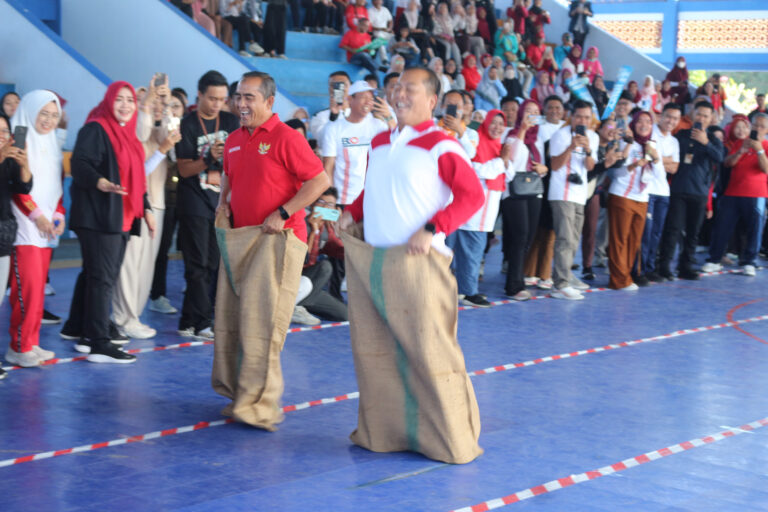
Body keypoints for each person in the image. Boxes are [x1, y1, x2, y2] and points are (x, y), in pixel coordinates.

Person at [339, 67, 484, 464]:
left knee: (430, 352)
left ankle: (452, 438)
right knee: (377, 352)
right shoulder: (381, 140)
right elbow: (376, 186)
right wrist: (351, 211)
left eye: (410, 89)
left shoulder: (442, 145)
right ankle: (385, 433)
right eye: (396, 87)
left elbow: (472, 197)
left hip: (419, 265)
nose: (399, 94)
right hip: (374, 263)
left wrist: (434, 227)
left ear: (432, 101)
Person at [214, 71, 329, 429]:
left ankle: (261, 405)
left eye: (249, 97)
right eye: (238, 97)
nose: (241, 104)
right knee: (232, 320)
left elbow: (320, 181)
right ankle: (240, 395)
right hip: (240, 240)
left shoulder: (287, 137)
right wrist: (222, 208)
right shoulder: (233, 139)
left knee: (263, 322)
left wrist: (283, 213)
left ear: (269, 102)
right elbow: (230, 180)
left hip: (277, 242)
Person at [63, 82, 158, 363]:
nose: (126, 105)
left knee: (96, 275)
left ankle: (79, 328)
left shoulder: (128, 136)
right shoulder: (96, 128)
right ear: (108, 101)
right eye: (120, 99)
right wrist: (100, 182)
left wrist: (148, 209)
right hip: (98, 215)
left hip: (122, 217)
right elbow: (79, 165)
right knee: (102, 278)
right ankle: (98, 342)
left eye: (130, 100)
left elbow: (137, 178)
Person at [111, 77, 182, 339]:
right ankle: (121, 317)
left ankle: (134, 316)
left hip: (157, 206)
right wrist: (148, 102)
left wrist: (164, 107)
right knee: (129, 265)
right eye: (144, 100)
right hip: (133, 204)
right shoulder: (132, 134)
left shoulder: (157, 132)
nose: (151, 104)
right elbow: (137, 170)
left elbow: (171, 140)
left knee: (146, 266)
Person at [175, 70, 239, 340]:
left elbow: (239, 160)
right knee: (197, 264)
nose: (217, 104)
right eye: (212, 98)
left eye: (222, 99)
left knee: (214, 264)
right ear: (199, 95)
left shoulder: (230, 121)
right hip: (194, 202)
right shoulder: (187, 124)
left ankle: (190, 320)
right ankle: (201, 321)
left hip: (220, 203)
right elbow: (184, 169)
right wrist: (208, 159)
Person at [4, 91, 64, 368]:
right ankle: (18, 346)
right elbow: (16, 188)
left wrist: (59, 214)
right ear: (30, 111)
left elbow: (55, 188)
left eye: (54, 115)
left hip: (46, 230)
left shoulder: (52, 143)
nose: (49, 120)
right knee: (25, 289)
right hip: (24, 227)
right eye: (44, 113)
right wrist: (37, 214)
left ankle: (32, 341)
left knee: (38, 289)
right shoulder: (19, 142)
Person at [657, 101, 725, 280]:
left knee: (693, 232)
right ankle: (664, 265)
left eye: (706, 115)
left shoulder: (714, 139)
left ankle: (685, 265)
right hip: (678, 189)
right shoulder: (681, 135)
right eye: (699, 114)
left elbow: (720, 158)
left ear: (711, 119)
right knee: (673, 229)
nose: (701, 118)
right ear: (693, 114)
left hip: (700, 192)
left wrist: (706, 143)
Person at [449, 108, 509, 307]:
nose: (497, 127)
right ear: (485, 122)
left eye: (501, 124)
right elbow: (476, 169)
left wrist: (503, 162)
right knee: (467, 253)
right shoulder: (476, 141)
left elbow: (509, 175)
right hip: (472, 209)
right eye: (494, 123)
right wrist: (501, 161)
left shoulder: (500, 146)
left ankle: (465, 290)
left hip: (487, 211)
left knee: (473, 253)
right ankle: (467, 291)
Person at [701, 114, 768, 276]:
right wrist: (741, 151)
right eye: (755, 125)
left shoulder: (766, 145)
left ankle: (749, 261)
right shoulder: (739, 143)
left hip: (756, 194)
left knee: (754, 229)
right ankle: (714, 259)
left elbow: (766, 169)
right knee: (722, 226)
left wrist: (759, 150)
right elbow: (727, 163)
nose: (757, 129)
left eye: (761, 126)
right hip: (732, 192)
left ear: (766, 130)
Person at [548, 100, 598, 300]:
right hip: (562, 193)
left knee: (574, 239)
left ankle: (567, 275)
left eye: (587, 117)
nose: (582, 120)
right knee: (565, 239)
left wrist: (587, 150)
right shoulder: (560, 135)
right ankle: (560, 284)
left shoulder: (592, 137)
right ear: (572, 116)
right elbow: (555, 165)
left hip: (580, 194)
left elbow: (590, 166)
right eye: (579, 116)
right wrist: (571, 146)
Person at [606, 111, 662, 290]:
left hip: (642, 198)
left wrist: (656, 159)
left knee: (634, 240)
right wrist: (633, 165)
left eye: (648, 122)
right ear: (633, 124)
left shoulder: (653, 146)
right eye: (640, 121)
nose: (644, 125)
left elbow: (659, 175)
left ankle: (626, 276)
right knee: (619, 240)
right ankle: (618, 279)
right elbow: (615, 173)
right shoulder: (625, 143)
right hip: (622, 196)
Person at [502, 100, 549, 300]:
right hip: (514, 191)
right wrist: (522, 129)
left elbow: (544, 166)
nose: (532, 114)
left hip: (534, 189)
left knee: (528, 237)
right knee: (520, 236)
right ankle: (514, 285)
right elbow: (511, 159)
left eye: (536, 112)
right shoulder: (511, 135)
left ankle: (518, 279)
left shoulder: (539, 138)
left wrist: (543, 169)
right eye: (528, 111)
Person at [149, 90, 188, 314]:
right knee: (162, 247)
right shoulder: (159, 132)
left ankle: (189, 286)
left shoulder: (189, 131)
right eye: (168, 106)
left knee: (189, 246)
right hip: (166, 196)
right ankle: (157, 294)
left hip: (189, 197)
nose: (172, 110)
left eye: (177, 106)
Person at [0, 112, 32, 375]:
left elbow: (24, 188)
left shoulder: (9, 159)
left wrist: (24, 163)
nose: (2, 137)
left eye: (4, 131)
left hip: (2, 237)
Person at [322, 80, 387, 207]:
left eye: (371, 98)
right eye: (363, 97)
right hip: (342, 200)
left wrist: (389, 117)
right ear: (350, 99)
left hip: (370, 200)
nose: (368, 101)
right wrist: (329, 203)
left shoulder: (379, 126)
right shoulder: (333, 128)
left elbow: (398, 143)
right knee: (334, 226)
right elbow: (328, 167)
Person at [638, 103, 681, 283]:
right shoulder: (650, 132)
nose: (671, 121)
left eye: (675, 118)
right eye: (668, 116)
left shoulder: (674, 141)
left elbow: (675, 168)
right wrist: (664, 160)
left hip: (664, 191)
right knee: (644, 233)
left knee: (656, 233)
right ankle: (639, 269)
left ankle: (650, 268)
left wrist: (658, 158)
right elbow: (647, 156)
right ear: (661, 116)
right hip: (647, 190)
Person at [301, 188, 348, 319]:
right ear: (312, 203)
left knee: (344, 314)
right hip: (296, 279)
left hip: (311, 285)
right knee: (325, 267)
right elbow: (302, 259)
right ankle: (296, 308)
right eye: (321, 202)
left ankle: (302, 304)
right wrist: (314, 231)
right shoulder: (302, 222)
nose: (325, 208)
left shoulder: (327, 227)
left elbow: (342, 252)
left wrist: (339, 228)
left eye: (330, 205)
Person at [309, 71, 352, 152]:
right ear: (329, 89)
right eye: (335, 85)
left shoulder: (360, 115)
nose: (340, 89)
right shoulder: (319, 116)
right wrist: (333, 117)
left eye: (343, 85)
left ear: (350, 87)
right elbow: (322, 142)